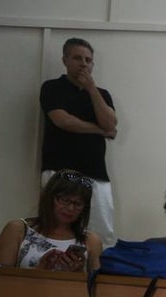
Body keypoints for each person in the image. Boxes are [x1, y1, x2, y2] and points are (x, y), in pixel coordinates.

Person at [40, 38, 118, 248]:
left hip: (94, 175)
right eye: (77, 58)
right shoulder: (52, 87)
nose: (83, 63)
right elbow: (62, 121)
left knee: (99, 233)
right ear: (65, 60)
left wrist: (91, 89)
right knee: (56, 227)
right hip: (60, 172)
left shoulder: (101, 94)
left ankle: (95, 275)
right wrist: (100, 130)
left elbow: (110, 122)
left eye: (88, 60)